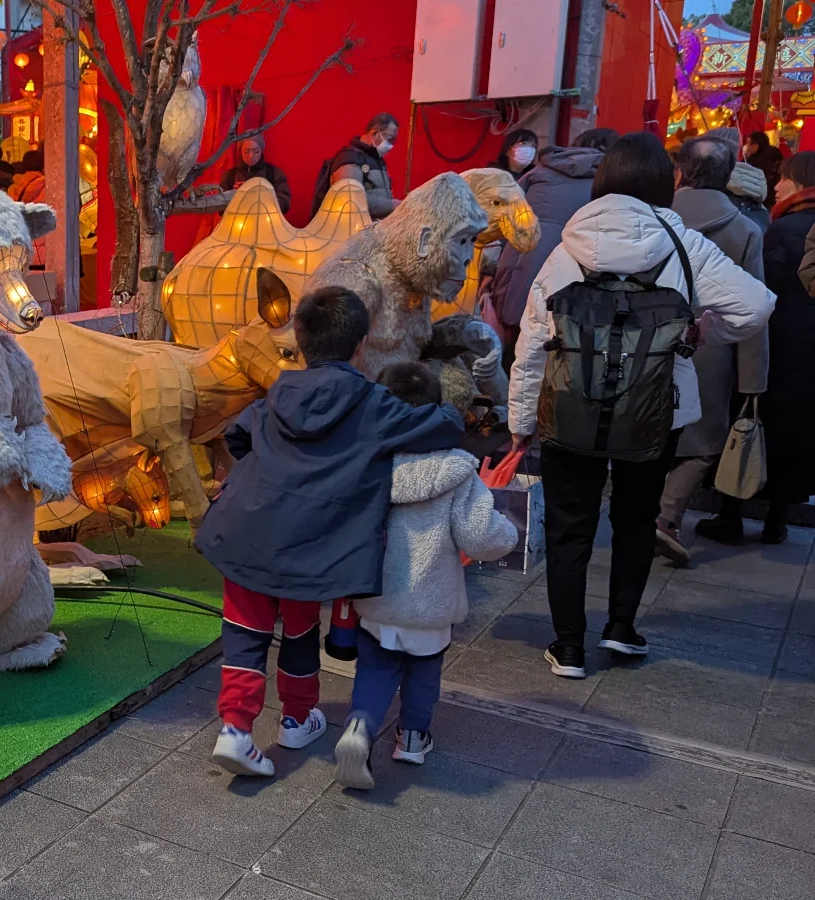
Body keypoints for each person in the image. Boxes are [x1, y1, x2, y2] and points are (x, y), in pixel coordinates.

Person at [509, 132, 774, 679]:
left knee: (569, 526)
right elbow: (755, 306)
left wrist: (518, 424)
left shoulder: (567, 248)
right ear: (663, 183)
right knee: (634, 519)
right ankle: (622, 628)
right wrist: (701, 330)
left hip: (570, 406)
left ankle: (569, 647)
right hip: (657, 408)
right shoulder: (683, 244)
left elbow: (533, 341)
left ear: (602, 182)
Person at [198, 287, 465, 777]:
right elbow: (444, 425)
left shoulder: (277, 393)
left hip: (245, 531)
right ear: (361, 345)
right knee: (299, 632)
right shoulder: (374, 405)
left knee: (244, 632)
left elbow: (237, 435)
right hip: (312, 547)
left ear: (299, 341)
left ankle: (235, 730)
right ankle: (297, 720)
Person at [333, 362, 517, 791]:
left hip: (377, 597)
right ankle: (413, 738)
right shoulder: (457, 470)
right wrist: (508, 531)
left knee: (376, 667)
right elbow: (482, 537)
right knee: (424, 672)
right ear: (438, 409)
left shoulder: (368, 462)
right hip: (433, 603)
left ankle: (360, 727)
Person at [654, 137, 769, 562]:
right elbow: (755, 309)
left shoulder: (653, 219)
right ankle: (666, 516)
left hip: (648, 341)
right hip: (710, 350)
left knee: (647, 430)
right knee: (702, 443)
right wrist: (754, 378)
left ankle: (642, 512)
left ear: (679, 172)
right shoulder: (744, 231)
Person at [709, 152, 815, 545]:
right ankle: (777, 519)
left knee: (752, 423)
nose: (777, 186)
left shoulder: (784, 228)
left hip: (778, 343)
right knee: (797, 433)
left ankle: (732, 513)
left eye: (784, 179)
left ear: (799, 182)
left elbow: (758, 286)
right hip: (808, 349)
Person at [492, 128, 618, 350]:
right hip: (571, 302)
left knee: (510, 362)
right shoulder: (612, 185)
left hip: (519, 279)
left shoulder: (538, 172)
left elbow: (502, 225)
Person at [315, 112, 399, 219]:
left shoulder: (378, 160)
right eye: (390, 139)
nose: (391, 145)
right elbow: (350, 198)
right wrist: (392, 205)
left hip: (375, 230)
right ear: (375, 133)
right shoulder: (350, 158)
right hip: (354, 230)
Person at [220, 137, 291, 214]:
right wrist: (235, 195)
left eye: (256, 151)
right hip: (237, 223)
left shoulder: (273, 173)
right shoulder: (230, 175)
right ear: (241, 151)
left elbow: (284, 203)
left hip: (265, 223)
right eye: (246, 151)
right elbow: (221, 209)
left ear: (261, 151)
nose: (251, 156)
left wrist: (259, 196)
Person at [746, 131, 784, 199]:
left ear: (756, 146)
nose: (746, 147)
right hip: (778, 193)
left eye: (748, 144)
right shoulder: (775, 151)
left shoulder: (753, 160)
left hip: (762, 196)